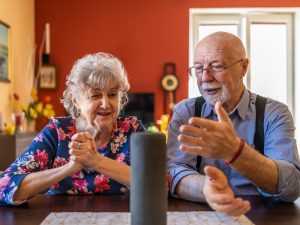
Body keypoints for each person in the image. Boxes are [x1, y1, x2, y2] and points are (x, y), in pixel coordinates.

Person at [167, 31, 300, 216]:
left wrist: (236, 152)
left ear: (243, 67)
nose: (205, 77)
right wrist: (206, 188)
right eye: (198, 68)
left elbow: (291, 186)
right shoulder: (186, 112)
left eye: (217, 66)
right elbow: (174, 171)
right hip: (203, 212)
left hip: (261, 216)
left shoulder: (274, 113)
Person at [0, 53, 145, 206]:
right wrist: (70, 168)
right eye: (95, 95)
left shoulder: (132, 129)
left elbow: (159, 182)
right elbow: (4, 186)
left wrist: (95, 161)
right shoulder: (57, 131)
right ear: (76, 100)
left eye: (112, 94)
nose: (105, 103)